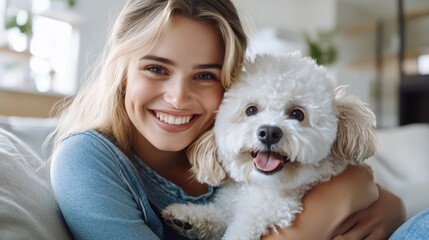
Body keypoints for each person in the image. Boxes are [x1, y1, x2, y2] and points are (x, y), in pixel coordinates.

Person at [49, 0, 405, 239]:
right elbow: (340, 197)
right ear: (121, 72)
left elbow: (370, 194)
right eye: (156, 69)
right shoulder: (87, 160)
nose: (177, 97)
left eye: (205, 75)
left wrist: (394, 206)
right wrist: (320, 216)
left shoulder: (228, 144)